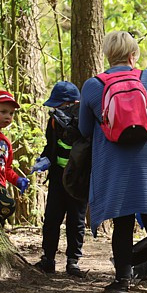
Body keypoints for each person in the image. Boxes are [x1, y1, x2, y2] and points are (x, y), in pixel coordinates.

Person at [79, 31, 147, 293]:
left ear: (108, 55)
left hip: (113, 163)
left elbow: (83, 128)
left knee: (123, 222)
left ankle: (121, 282)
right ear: (132, 55)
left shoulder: (93, 86)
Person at [31, 81, 88, 277]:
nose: (55, 109)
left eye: (59, 105)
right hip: (57, 177)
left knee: (76, 221)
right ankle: (48, 259)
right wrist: (44, 159)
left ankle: (73, 262)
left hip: (79, 179)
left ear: (72, 103)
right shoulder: (54, 120)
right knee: (52, 219)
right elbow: (50, 145)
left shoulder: (86, 120)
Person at [0, 90, 30, 227]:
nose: (8, 116)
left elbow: (6, 168)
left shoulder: (5, 142)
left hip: (0, 185)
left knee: (6, 206)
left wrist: (17, 180)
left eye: (11, 113)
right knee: (7, 204)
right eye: (3, 112)